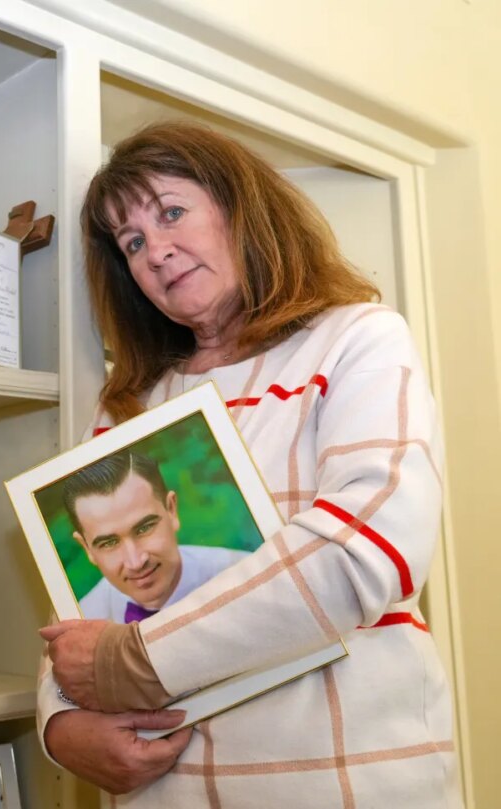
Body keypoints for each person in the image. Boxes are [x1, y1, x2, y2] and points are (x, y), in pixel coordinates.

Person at [37, 122, 458, 807]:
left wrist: (134, 661)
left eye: (171, 212)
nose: (157, 253)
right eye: (133, 243)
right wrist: (62, 725)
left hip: (346, 780)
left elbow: (367, 550)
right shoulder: (129, 402)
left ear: (240, 207)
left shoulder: (357, 338)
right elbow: (81, 601)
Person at [64, 449, 249, 624]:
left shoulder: (247, 575)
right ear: (86, 548)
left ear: (172, 510)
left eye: (144, 529)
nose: (135, 562)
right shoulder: (83, 620)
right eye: (109, 543)